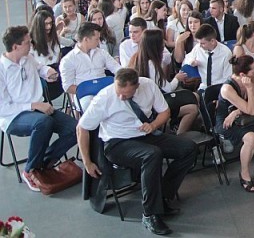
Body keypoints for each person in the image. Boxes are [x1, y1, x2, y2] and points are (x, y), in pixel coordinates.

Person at [77, 68, 197, 236]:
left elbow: (165, 112)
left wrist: (154, 125)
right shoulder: (104, 98)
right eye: (119, 92)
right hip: (117, 143)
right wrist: (87, 161)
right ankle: (150, 214)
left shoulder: (148, 86)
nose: (121, 97)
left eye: (126, 95)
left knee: (188, 148)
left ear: (136, 87)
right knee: (152, 154)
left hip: (146, 135)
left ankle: (162, 196)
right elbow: (82, 128)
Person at [0, 26, 77, 192]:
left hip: (40, 110)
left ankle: (42, 164)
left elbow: (40, 68)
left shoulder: (27, 58)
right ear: (15, 47)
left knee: (75, 129)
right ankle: (29, 171)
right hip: (14, 116)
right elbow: (3, 108)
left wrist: (48, 71)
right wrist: (33, 105)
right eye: (27, 42)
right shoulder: (1, 70)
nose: (31, 44)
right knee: (43, 122)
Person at [216, 55, 254, 192]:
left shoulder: (253, 78)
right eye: (253, 70)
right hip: (227, 122)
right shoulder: (227, 89)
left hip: (244, 117)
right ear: (242, 74)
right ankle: (244, 174)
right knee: (251, 138)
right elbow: (252, 110)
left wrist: (236, 111)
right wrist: (250, 89)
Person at [131, 30, 198, 135]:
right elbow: (168, 89)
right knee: (193, 108)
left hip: (145, 103)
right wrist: (177, 78)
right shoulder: (152, 64)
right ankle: (179, 137)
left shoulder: (137, 58)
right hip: (155, 106)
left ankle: (174, 125)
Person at [59, 22, 121, 110]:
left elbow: (116, 68)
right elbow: (67, 86)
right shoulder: (68, 60)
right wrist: (90, 89)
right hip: (85, 95)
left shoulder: (101, 53)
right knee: (90, 106)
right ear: (86, 39)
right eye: (97, 39)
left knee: (122, 100)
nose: (99, 41)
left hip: (104, 91)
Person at [183, 24, 233, 91]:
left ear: (212, 41)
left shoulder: (226, 53)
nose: (200, 46)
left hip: (219, 87)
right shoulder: (198, 48)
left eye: (203, 43)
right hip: (203, 86)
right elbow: (186, 59)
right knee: (192, 98)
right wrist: (192, 61)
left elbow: (227, 77)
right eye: (199, 43)